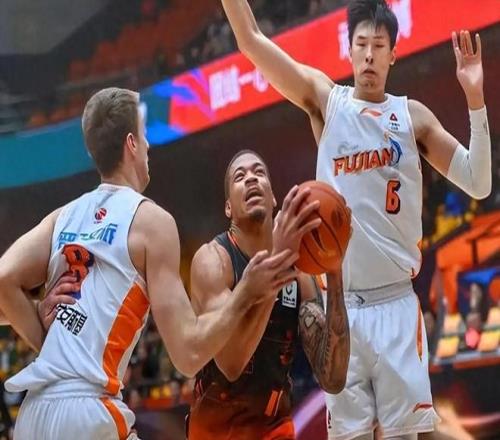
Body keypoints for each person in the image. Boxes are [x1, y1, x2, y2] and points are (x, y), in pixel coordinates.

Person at [220, 0, 492, 438]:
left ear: (393, 54)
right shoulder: (327, 102)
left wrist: (475, 98)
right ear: (348, 51)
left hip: (396, 304)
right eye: (361, 44)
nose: (368, 55)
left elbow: (478, 183)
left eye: (378, 46)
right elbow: (250, 41)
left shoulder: (412, 117)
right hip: (340, 310)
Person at [0, 88, 303, 440]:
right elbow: (189, 355)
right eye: (144, 137)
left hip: (34, 412)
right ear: (131, 144)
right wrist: (247, 292)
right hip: (88, 410)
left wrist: (42, 326)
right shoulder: (150, 221)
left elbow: (4, 278)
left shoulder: (62, 217)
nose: (148, 147)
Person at [186, 150, 350, 439]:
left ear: (273, 198)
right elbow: (231, 363)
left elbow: (333, 379)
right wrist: (279, 260)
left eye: (259, 172)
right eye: (240, 177)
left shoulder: (300, 272)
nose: (251, 178)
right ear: (228, 208)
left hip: (274, 429)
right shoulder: (213, 261)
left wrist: (335, 271)